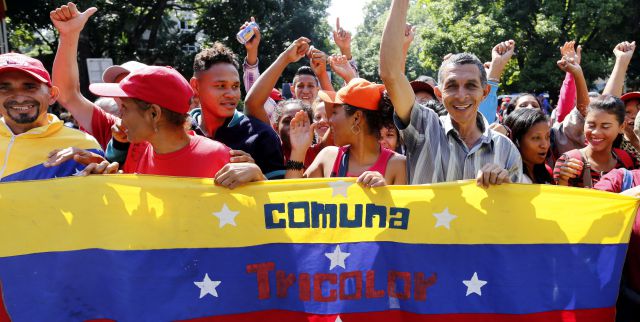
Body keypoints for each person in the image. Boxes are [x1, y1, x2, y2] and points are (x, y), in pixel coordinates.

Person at [379, 0, 522, 187]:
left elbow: (516, 213)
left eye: (471, 86)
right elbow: (390, 73)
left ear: (485, 92)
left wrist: (506, 189)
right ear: (438, 93)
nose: (461, 95)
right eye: (452, 86)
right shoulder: (423, 127)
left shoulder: (506, 150)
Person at [0, 52, 104, 182]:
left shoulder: (84, 146)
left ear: (52, 94)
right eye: (4, 88)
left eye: (30, 87)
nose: (20, 98)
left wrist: (106, 175)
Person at [285, 78, 406, 187]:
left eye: (335, 113)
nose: (330, 120)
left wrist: (387, 193)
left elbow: (408, 210)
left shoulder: (398, 165)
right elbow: (290, 198)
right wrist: (298, 151)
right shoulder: (327, 156)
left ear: (356, 118)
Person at [553, 95, 636, 187]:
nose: (596, 132)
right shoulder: (568, 162)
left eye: (605, 126)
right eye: (591, 125)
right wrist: (563, 180)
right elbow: (562, 199)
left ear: (622, 127)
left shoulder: (629, 161)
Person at [503, 109, 553, 184]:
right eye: (536, 138)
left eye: (547, 136)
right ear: (516, 140)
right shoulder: (505, 178)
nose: (545, 145)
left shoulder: (548, 172)